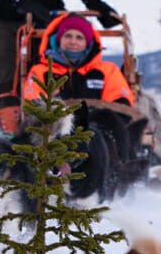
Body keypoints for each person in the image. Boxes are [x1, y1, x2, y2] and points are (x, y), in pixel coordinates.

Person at [22, 11, 149, 198]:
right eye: (68, 36)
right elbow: (33, 104)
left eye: (79, 37)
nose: (73, 41)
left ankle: (113, 180)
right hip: (57, 128)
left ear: (88, 42)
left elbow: (121, 106)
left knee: (111, 125)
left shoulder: (107, 71)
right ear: (58, 39)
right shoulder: (41, 71)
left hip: (99, 127)